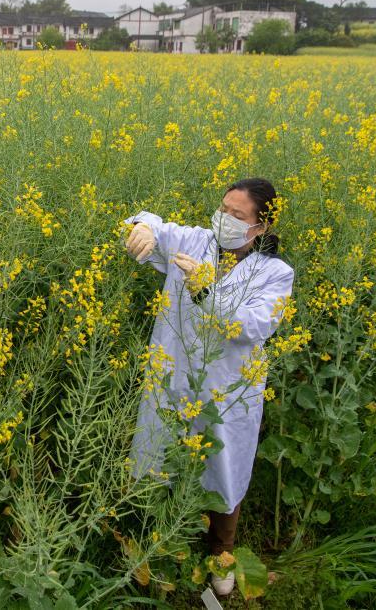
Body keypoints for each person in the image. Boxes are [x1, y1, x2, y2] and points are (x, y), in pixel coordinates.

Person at [122, 177, 294, 597]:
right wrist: (141, 227)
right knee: (160, 456)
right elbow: (151, 225)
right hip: (173, 376)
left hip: (227, 390)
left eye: (237, 216)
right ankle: (160, 545)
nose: (225, 220)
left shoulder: (275, 273)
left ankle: (221, 555)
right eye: (223, 209)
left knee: (224, 470)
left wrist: (206, 291)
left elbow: (254, 326)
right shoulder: (197, 242)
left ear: (261, 227)